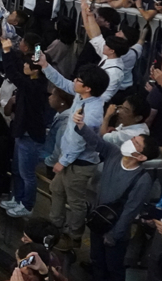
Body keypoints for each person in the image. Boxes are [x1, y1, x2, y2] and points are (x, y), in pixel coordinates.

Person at [72, 108, 158, 281]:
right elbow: (98, 142)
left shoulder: (142, 179)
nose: (131, 142)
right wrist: (81, 126)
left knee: (114, 268)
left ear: (141, 157)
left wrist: (115, 234)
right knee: (97, 261)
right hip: (98, 221)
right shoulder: (113, 154)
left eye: (136, 143)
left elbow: (130, 210)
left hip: (115, 229)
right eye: (134, 138)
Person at [37, 55, 110, 251]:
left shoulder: (93, 112)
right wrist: (45, 66)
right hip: (69, 159)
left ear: (88, 88)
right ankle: (55, 225)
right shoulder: (82, 95)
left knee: (76, 201)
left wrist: (64, 161)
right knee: (57, 189)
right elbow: (63, 82)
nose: (75, 82)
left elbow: (80, 141)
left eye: (79, 80)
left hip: (80, 164)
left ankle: (74, 235)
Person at [0, 37, 47, 219]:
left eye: (28, 65)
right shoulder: (32, 78)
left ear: (36, 70)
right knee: (17, 169)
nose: (24, 67)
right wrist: (38, 48)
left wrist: (8, 52)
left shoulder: (34, 85)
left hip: (30, 134)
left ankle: (27, 204)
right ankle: (17, 198)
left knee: (27, 174)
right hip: (20, 130)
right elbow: (22, 64)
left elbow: (13, 72)